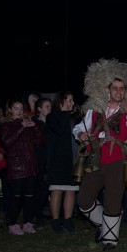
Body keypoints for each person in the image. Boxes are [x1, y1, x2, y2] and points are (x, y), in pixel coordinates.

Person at [73, 59, 127, 250]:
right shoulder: (94, 109)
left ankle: (109, 239)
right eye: (115, 87)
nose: (118, 91)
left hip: (117, 160)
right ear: (108, 89)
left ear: (125, 91)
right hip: (95, 159)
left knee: (113, 200)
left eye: (122, 88)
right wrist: (81, 134)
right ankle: (103, 225)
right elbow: (78, 128)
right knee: (83, 201)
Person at [1, 99, 44, 235]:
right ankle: (13, 224)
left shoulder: (27, 124)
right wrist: (22, 127)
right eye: (15, 108)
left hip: (30, 165)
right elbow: (7, 142)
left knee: (30, 195)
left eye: (20, 108)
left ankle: (27, 222)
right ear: (9, 110)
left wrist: (35, 127)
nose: (19, 111)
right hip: (17, 166)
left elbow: (40, 141)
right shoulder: (6, 125)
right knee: (16, 196)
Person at [45, 90, 79, 234]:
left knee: (71, 190)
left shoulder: (74, 118)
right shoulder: (52, 117)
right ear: (61, 101)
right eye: (69, 100)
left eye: (72, 100)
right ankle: (55, 221)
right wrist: (65, 113)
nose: (72, 103)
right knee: (57, 190)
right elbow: (60, 131)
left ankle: (68, 220)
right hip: (57, 160)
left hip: (71, 160)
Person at [32, 97, 52, 229]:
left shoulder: (51, 123)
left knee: (46, 187)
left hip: (49, 159)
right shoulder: (34, 123)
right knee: (38, 188)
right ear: (39, 109)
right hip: (38, 159)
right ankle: (36, 215)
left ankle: (39, 213)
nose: (49, 109)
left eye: (50, 106)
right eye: (46, 106)